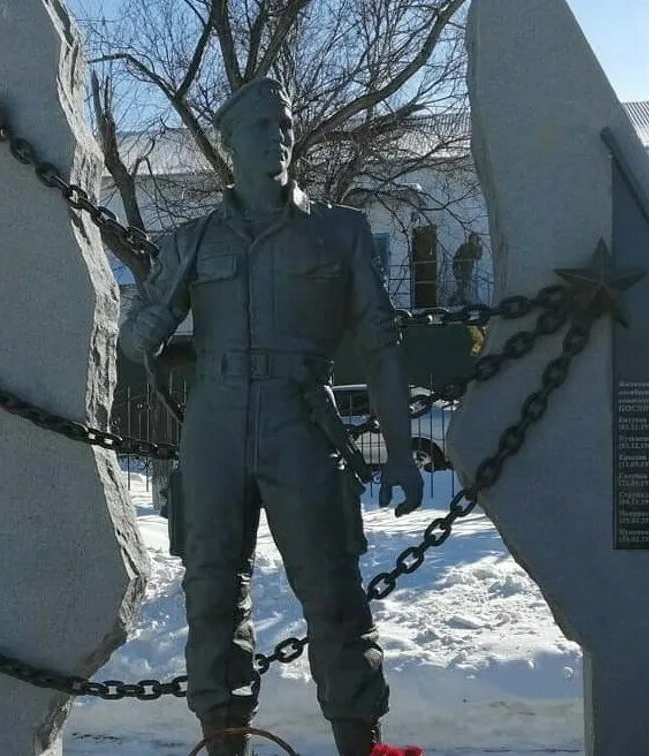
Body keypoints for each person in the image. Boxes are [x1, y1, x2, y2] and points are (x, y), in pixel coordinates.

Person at [120, 78, 423, 756]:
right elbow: (138, 334)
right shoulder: (193, 240)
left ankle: (360, 740)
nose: (276, 137)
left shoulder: (339, 232)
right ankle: (224, 743)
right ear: (230, 145)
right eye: (259, 127)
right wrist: (148, 327)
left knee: (334, 593)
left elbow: (379, 346)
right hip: (214, 429)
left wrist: (400, 450)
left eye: (283, 125)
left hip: (301, 422)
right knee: (212, 598)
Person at [452, 232, 483, 304]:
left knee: (465, 286)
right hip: (459, 268)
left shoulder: (477, 247)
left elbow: (477, 257)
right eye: (472, 238)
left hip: (468, 270)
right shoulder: (464, 246)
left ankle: (460, 300)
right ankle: (456, 300)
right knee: (461, 285)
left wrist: (478, 246)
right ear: (470, 238)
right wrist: (456, 267)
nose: (473, 239)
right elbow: (456, 256)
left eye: (475, 238)